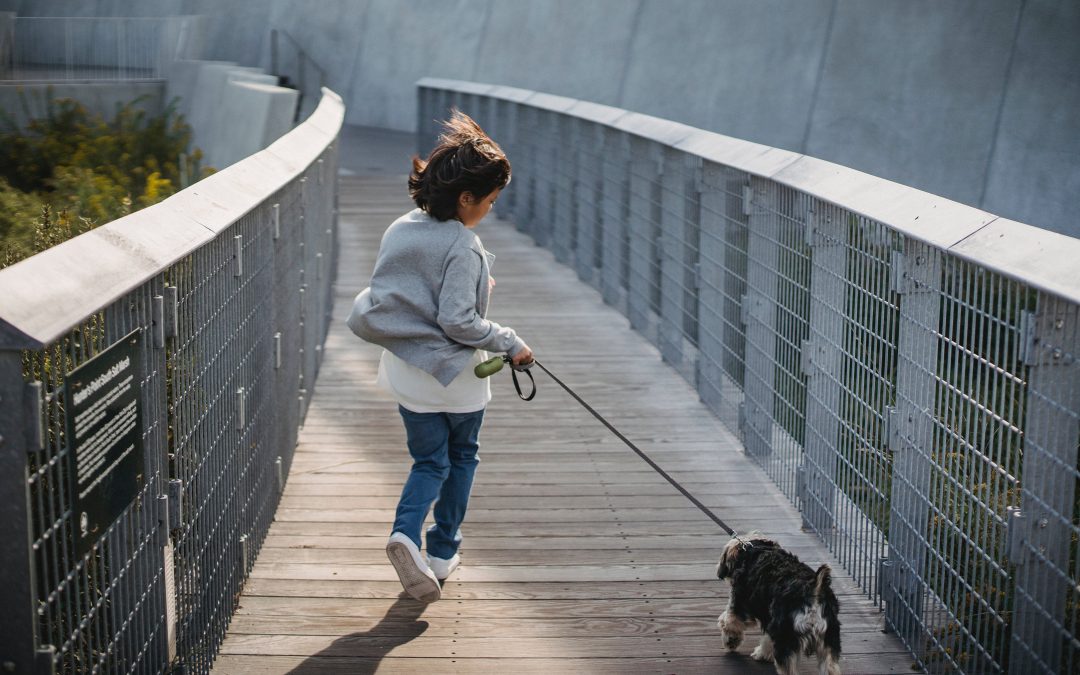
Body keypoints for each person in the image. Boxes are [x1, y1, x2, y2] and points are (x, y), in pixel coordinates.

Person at [347, 110, 532, 603]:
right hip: (459, 379)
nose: (490, 210)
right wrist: (511, 342)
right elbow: (458, 322)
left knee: (428, 461)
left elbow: (410, 290)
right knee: (462, 456)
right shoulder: (464, 244)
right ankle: (443, 551)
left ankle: (404, 531)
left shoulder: (400, 227)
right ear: (467, 198)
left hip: (409, 374)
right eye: (490, 202)